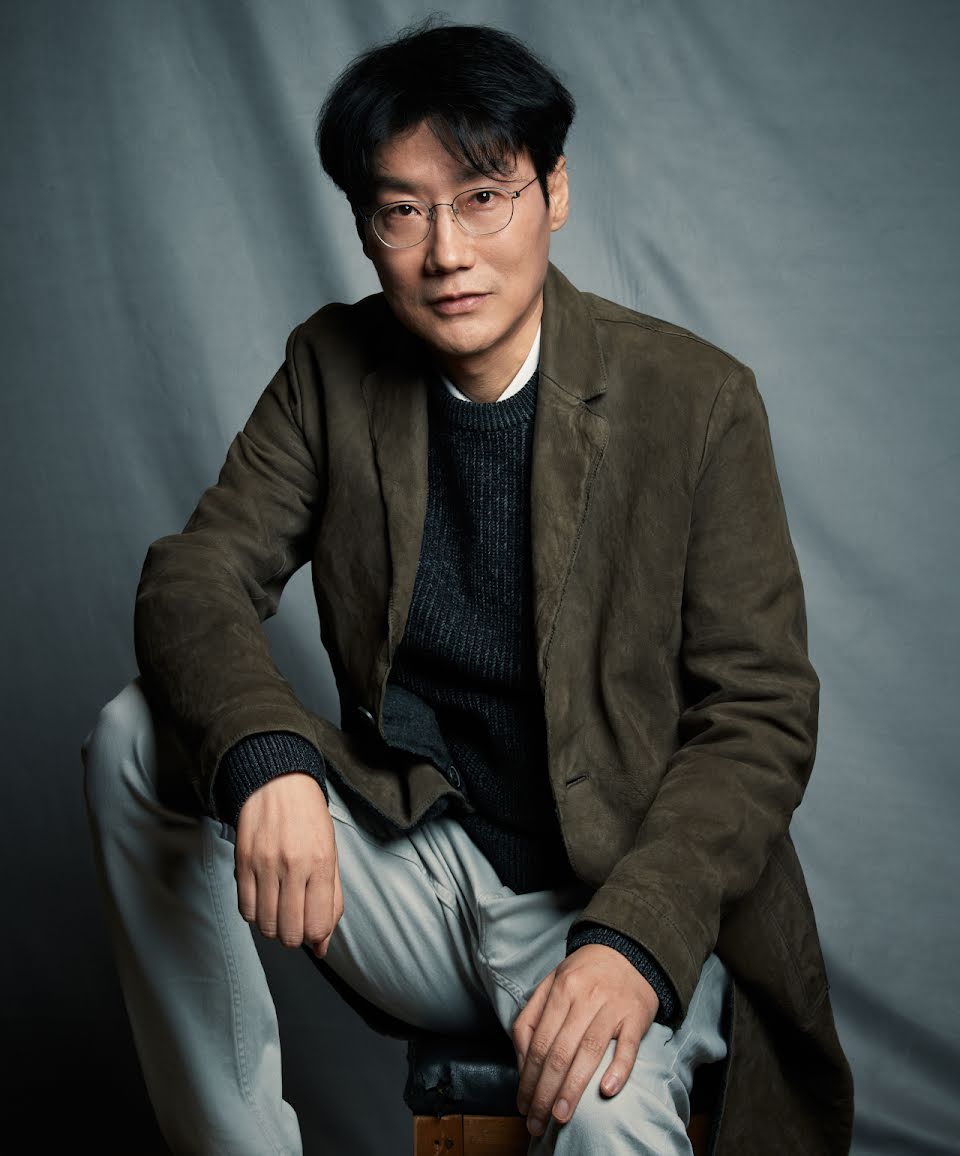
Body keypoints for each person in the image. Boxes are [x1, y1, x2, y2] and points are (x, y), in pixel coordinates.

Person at [82, 18, 854, 1156]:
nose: (447, 251)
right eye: (403, 210)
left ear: (554, 193)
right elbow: (194, 578)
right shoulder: (330, 368)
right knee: (136, 736)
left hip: (611, 899)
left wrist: (635, 941)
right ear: (367, 228)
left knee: (607, 1119)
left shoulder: (696, 400)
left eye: (484, 197)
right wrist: (264, 753)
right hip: (418, 874)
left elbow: (761, 714)